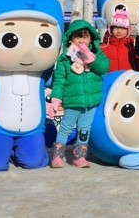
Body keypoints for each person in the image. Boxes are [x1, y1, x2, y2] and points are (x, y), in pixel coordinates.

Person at [49, 19, 110, 168]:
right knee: (65, 127)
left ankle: (79, 157)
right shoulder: (65, 59)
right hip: (72, 101)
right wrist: (56, 98)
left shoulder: (96, 53)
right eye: (78, 36)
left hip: (91, 101)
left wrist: (92, 59)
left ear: (91, 39)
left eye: (85, 36)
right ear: (71, 38)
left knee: (84, 129)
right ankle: (57, 156)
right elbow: (59, 80)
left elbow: (104, 68)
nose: (81, 40)